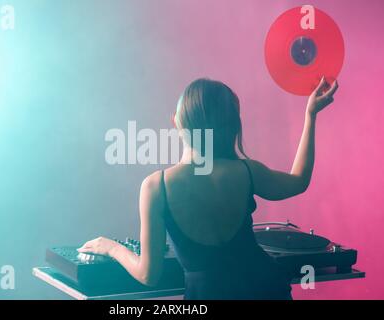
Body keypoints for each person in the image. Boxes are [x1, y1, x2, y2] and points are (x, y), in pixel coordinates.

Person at [78, 77, 339, 300]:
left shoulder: (156, 186)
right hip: (266, 287)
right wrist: (311, 114)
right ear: (230, 126)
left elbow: (149, 274)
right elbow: (299, 180)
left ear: (177, 123)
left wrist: (111, 248)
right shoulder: (247, 171)